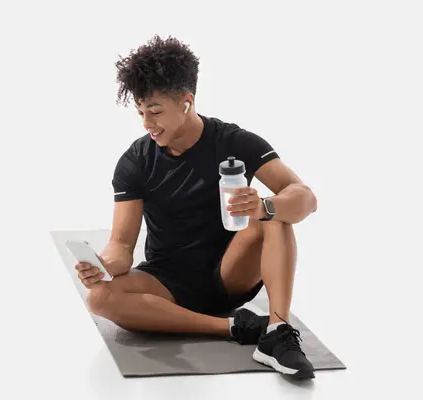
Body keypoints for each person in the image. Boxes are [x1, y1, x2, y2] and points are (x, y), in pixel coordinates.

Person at [75, 35, 318, 380]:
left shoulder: (234, 141)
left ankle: (277, 332)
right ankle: (234, 328)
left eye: (156, 111)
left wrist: (267, 204)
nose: (147, 123)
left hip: (229, 275)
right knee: (99, 298)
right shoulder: (135, 161)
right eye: (141, 112)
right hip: (165, 281)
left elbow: (306, 198)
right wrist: (101, 265)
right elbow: (122, 248)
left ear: (187, 102)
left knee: (274, 218)